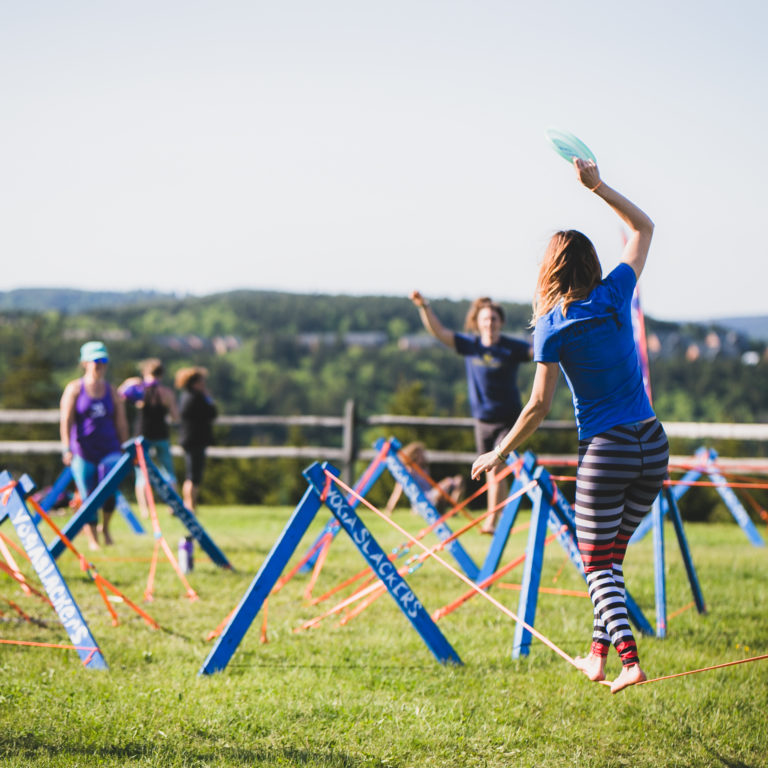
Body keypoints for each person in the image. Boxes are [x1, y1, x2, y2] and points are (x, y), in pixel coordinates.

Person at [471, 157, 669, 694]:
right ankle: (597, 656)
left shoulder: (551, 329)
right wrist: (598, 186)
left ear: (551, 270)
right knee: (610, 559)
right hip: (653, 444)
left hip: (607, 452)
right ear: (591, 265)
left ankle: (629, 661)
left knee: (594, 563)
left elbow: (537, 407)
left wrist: (499, 453)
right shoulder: (615, 294)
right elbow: (644, 228)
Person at [409, 292, 533, 533]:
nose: (490, 324)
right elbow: (439, 332)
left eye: (494, 319)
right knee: (492, 472)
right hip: (482, 421)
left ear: (501, 322)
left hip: (509, 420)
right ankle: (502, 518)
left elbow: (538, 351)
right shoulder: (471, 345)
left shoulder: (511, 347)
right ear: (478, 323)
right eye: (485, 319)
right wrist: (424, 306)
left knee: (496, 467)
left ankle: (491, 521)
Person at [59, 340, 129, 550]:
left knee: (109, 490)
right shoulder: (74, 389)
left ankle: (105, 528)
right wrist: (66, 448)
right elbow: (66, 420)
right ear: (85, 363)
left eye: (103, 361)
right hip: (83, 450)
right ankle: (92, 540)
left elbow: (121, 420)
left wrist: (125, 446)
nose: (99, 365)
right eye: (95, 361)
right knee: (87, 495)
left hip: (110, 447)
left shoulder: (111, 390)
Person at [118, 358, 179, 517]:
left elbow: (117, 398)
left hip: (142, 435)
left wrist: (128, 383)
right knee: (168, 472)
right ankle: (173, 506)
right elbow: (175, 416)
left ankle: (145, 510)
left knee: (141, 474)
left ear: (145, 372)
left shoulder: (139, 391)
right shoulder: (166, 393)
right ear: (161, 374)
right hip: (161, 434)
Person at [175, 366, 217, 513]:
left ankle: (190, 504)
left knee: (192, 474)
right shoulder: (196, 397)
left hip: (189, 439)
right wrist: (209, 399)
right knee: (194, 476)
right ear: (195, 383)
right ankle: (190, 505)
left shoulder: (186, 396)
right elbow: (211, 413)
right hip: (195, 440)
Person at [384, 441, 465, 515]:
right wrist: (389, 510)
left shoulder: (424, 469)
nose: (424, 455)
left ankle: (453, 509)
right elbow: (397, 491)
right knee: (448, 481)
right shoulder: (409, 471)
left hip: (431, 497)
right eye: (421, 453)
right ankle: (449, 509)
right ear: (414, 455)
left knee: (459, 480)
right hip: (421, 501)